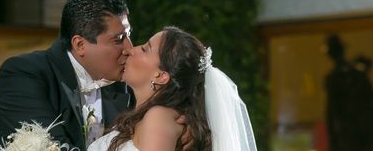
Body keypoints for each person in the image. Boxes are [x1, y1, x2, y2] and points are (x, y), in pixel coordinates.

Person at [0, 0, 134, 150]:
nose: (130, 48)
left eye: (129, 35)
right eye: (119, 39)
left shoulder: (124, 83)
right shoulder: (23, 74)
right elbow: (50, 145)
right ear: (80, 45)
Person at [88, 26, 257, 151]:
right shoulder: (149, 115)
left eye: (145, 48)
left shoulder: (159, 117)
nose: (131, 50)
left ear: (161, 76)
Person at [324, 34, 373, 151]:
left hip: (357, 132)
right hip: (354, 132)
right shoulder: (342, 77)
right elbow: (332, 111)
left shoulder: (349, 76)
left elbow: (332, 112)